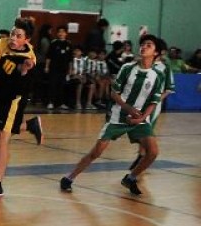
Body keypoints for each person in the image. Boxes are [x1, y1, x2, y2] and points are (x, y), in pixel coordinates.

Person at [59, 35, 165, 196]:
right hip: (119, 116)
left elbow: (154, 101)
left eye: (149, 45)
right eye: (142, 44)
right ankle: (69, 178)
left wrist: (142, 118)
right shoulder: (128, 68)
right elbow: (114, 93)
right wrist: (128, 108)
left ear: (156, 52)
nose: (143, 47)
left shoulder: (158, 75)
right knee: (97, 152)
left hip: (139, 119)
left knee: (153, 152)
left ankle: (131, 177)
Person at [0, 17, 44, 197]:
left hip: (14, 100)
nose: (13, 38)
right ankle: (29, 125)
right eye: (13, 33)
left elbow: (26, 85)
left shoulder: (29, 57)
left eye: (18, 35)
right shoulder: (2, 43)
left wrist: (24, 71)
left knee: (2, 140)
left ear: (26, 40)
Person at [128, 38, 173, 172]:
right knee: (136, 131)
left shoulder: (164, 67)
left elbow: (169, 89)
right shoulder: (141, 64)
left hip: (151, 107)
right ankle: (142, 155)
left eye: (150, 45)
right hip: (136, 104)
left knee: (145, 131)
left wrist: (156, 100)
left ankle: (142, 157)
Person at [44, 26, 72, 110]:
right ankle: (50, 102)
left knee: (62, 86)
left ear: (66, 33)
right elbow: (49, 56)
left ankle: (61, 103)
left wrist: (70, 70)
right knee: (52, 85)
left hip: (64, 69)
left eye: (63, 32)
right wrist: (47, 66)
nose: (61, 33)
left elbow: (70, 59)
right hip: (54, 68)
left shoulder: (69, 44)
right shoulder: (53, 43)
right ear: (57, 33)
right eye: (59, 32)